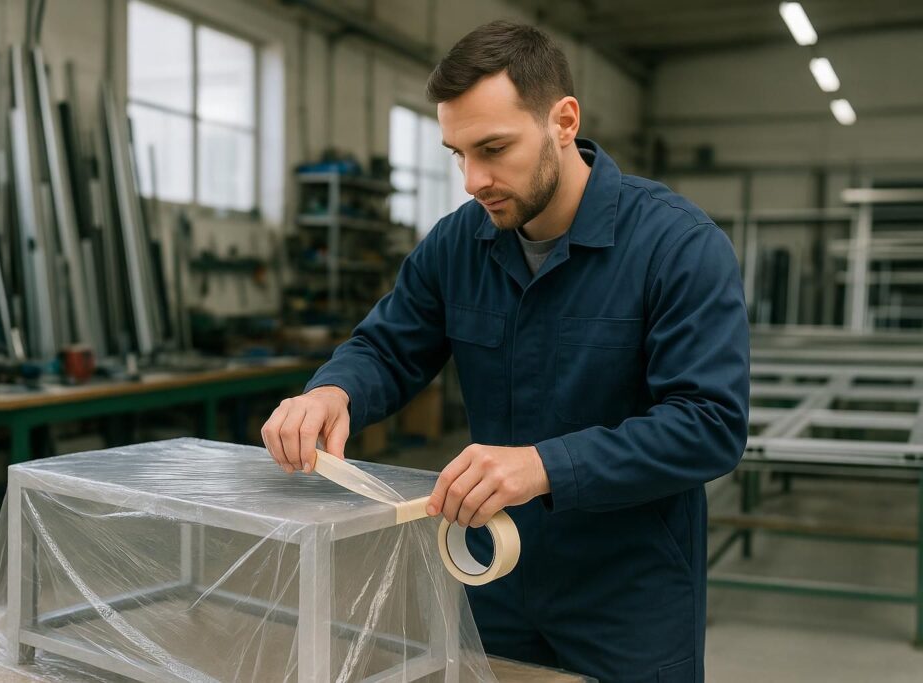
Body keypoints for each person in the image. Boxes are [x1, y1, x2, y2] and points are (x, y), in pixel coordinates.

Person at [261, 20, 749, 683]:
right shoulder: (457, 244)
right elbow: (388, 343)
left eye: (493, 148)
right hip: (493, 571)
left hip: (630, 594)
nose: (473, 179)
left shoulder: (677, 248)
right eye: (457, 153)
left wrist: (545, 464)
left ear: (564, 120)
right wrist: (333, 390)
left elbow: (709, 425)